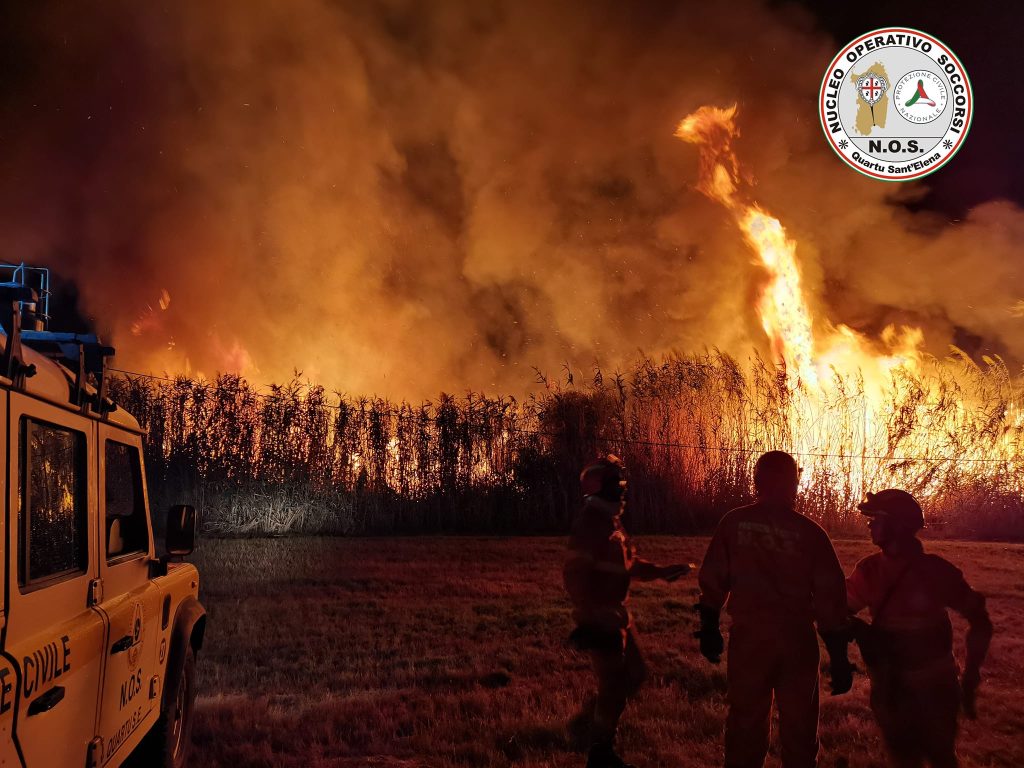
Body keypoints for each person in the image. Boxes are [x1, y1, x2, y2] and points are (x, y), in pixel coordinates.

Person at [695, 450, 852, 768]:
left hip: (749, 640)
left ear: (757, 481)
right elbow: (830, 599)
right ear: (794, 483)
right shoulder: (810, 533)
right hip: (797, 642)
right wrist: (838, 657)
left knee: (745, 724)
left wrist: (710, 627)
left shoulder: (734, 523)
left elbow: (713, 579)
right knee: (801, 729)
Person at [847, 489, 993, 768]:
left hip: (901, 691)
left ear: (896, 526)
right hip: (923, 688)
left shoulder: (871, 571)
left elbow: (838, 612)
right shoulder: (935, 571)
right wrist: (970, 675)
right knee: (940, 759)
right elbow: (981, 620)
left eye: (876, 519)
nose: (869, 525)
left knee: (912, 760)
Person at [564, 454, 692, 768]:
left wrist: (662, 571)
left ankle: (591, 729)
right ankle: (599, 750)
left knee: (634, 675)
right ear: (600, 486)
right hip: (602, 619)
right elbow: (574, 576)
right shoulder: (590, 525)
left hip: (619, 616)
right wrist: (592, 617)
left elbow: (629, 565)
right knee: (614, 685)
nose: (622, 488)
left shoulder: (613, 523)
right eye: (615, 483)